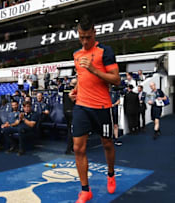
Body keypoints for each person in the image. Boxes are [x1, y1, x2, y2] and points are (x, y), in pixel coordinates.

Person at [69, 15, 121, 202]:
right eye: (81, 37)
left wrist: (93, 69)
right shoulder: (76, 55)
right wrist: (75, 90)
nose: (85, 41)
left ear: (94, 33)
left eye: (88, 37)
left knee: (107, 143)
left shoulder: (104, 51)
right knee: (78, 148)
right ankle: (85, 190)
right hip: (82, 106)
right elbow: (82, 78)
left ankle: (111, 173)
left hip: (102, 107)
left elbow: (116, 80)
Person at [63, 78, 77, 154]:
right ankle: (70, 148)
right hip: (72, 112)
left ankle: (70, 147)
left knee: (69, 130)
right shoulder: (74, 91)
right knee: (72, 131)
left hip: (65, 111)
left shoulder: (65, 90)